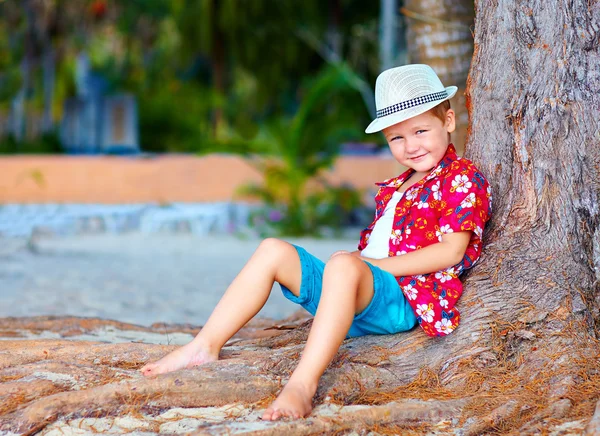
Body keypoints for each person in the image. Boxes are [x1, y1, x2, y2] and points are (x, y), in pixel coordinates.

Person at [140, 64, 492, 420]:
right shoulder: (399, 185)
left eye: (420, 130)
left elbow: (451, 251)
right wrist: (356, 260)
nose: (410, 146)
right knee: (273, 250)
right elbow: (380, 246)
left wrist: (366, 265)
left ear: (448, 121)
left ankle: (301, 386)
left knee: (343, 265)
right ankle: (204, 346)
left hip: (399, 299)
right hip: (354, 291)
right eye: (396, 138)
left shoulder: (461, 178)